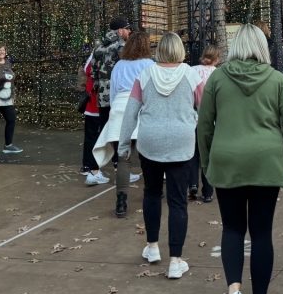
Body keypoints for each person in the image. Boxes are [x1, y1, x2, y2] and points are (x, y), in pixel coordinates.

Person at [198, 24, 283, 294]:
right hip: (266, 161)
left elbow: (204, 125)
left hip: (227, 160)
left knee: (231, 228)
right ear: (261, 46)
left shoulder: (217, 78)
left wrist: (207, 162)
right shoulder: (277, 79)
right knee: (261, 233)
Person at [117, 32, 204, 279]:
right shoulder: (191, 74)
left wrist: (124, 145)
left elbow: (130, 112)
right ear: (180, 50)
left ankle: (153, 246)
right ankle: (176, 260)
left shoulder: (145, 75)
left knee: (152, 193)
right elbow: (206, 108)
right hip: (181, 143)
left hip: (150, 142)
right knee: (178, 201)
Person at [92, 26, 147, 215]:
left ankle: (121, 203)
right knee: (146, 156)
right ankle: (150, 193)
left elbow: (113, 92)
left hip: (119, 108)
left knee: (124, 157)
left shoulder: (119, 65)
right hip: (140, 107)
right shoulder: (149, 64)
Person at [189, 44, 221, 202]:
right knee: (207, 154)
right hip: (210, 118)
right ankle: (207, 192)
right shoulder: (218, 73)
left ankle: (192, 184)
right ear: (216, 59)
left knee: (193, 153)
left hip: (192, 116)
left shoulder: (192, 70)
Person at [0, 43, 22, 155]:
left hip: (7, 98)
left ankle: (8, 145)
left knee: (11, 119)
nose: (2, 52)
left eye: (3, 50)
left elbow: (11, 81)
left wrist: (13, 96)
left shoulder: (7, 62)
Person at [80, 51, 105, 177]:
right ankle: (93, 166)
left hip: (93, 100)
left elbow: (87, 69)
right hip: (101, 100)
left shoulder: (96, 51)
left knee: (91, 136)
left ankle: (87, 166)